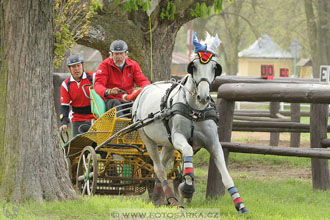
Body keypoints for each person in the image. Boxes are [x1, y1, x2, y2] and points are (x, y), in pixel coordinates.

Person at [94, 40, 150, 116]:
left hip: (128, 98)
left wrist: (146, 87)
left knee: (139, 104)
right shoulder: (104, 65)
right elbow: (98, 85)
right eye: (116, 54)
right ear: (111, 54)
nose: (119, 57)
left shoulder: (133, 65)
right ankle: (119, 125)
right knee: (116, 103)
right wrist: (109, 91)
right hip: (111, 99)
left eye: (121, 53)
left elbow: (142, 81)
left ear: (126, 54)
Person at [59, 54, 96, 137]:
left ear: (82, 65)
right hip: (77, 119)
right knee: (77, 147)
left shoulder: (93, 78)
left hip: (95, 118)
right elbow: (64, 106)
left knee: (97, 147)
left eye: (78, 65)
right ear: (69, 69)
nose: (76, 69)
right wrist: (64, 123)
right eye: (73, 67)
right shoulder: (66, 84)